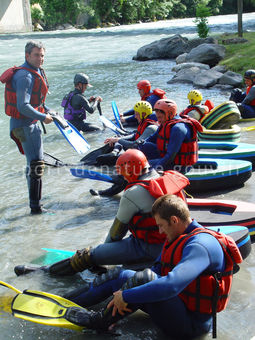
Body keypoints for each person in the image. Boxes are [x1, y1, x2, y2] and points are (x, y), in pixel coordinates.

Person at [60, 194, 243, 339]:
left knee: (142, 279)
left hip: (190, 326)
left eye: (162, 226)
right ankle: (65, 301)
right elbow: (157, 270)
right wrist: (124, 291)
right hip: (178, 306)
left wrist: (126, 295)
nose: (160, 232)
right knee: (122, 275)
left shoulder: (201, 245)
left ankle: (98, 321)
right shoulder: (177, 236)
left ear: (174, 220)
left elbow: (171, 285)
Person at [14, 150, 189, 277]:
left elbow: (115, 233)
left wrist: (100, 254)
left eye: (122, 172)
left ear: (129, 171)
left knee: (88, 255)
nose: (121, 176)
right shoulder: (165, 177)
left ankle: (44, 272)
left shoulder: (133, 193)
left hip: (148, 247)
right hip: (173, 243)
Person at [0, 40, 54, 214]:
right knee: (37, 165)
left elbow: (35, 100)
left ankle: (34, 201)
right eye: (36, 55)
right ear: (27, 55)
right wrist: (43, 117)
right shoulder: (25, 76)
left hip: (25, 124)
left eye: (42, 55)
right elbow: (23, 106)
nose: (40, 59)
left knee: (32, 164)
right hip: (24, 126)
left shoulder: (34, 71)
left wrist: (46, 110)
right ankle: (36, 208)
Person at [138, 98, 203, 173]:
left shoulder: (178, 129)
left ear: (169, 113)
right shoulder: (165, 123)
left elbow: (170, 157)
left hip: (180, 166)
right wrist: (138, 146)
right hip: (168, 158)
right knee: (144, 146)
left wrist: (153, 169)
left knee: (141, 166)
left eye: (160, 116)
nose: (158, 119)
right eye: (156, 114)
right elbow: (151, 138)